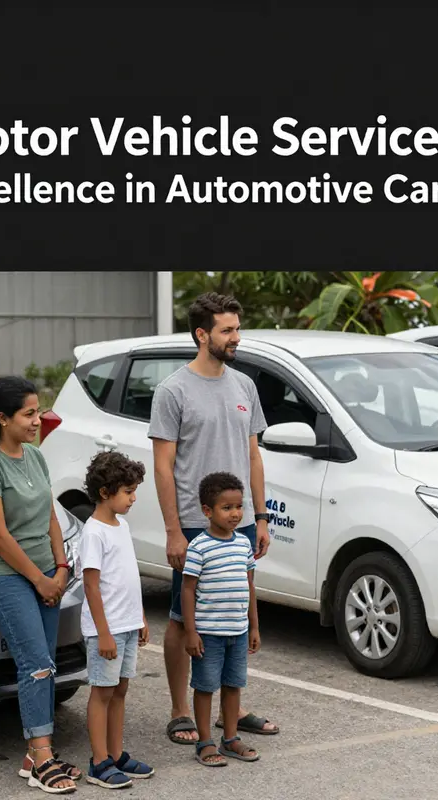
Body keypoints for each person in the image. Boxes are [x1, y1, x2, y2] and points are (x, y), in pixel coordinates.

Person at [148, 291, 279, 745]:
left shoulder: (244, 385)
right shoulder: (173, 390)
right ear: (202, 335)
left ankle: (232, 710)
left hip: (240, 522)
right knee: (184, 618)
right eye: (227, 330)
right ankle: (180, 709)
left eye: (237, 328)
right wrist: (172, 530)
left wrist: (260, 518)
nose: (236, 337)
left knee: (236, 611)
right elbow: (163, 466)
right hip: (191, 521)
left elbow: (254, 457)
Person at [0, 376, 81, 795]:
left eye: (38, 411)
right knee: (34, 662)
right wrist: (39, 580)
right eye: (29, 413)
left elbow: (50, 515)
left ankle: (36, 754)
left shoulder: (34, 457)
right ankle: (42, 758)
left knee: (46, 662)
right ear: (2, 418)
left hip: (47, 573)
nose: (38, 420)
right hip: (4, 576)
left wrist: (61, 567)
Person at [80, 451, 154, 788]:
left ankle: (116, 753)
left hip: (126, 624)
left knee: (120, 689)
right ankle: (98, 762)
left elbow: (128, 577)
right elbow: (92, 587)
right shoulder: (94, 532)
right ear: (105, 492)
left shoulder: (121, 525)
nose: (133, 498)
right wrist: (104, 633)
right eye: (128, 491)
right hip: (105, 630)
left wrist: (138, 617)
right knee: (102, 692)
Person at [182, 472, 261, 766]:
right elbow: (188, 590)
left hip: (238, 631)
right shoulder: (199, 547)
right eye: (227, 508)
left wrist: (254, 626)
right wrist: (191, 632)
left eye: (239, 507)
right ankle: (205, 742)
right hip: (209, 634)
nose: (235, 514)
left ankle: (230, 738)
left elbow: (249, 586)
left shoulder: (242, 544)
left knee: (233, 685)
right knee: (204, 687)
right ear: (207, 511)